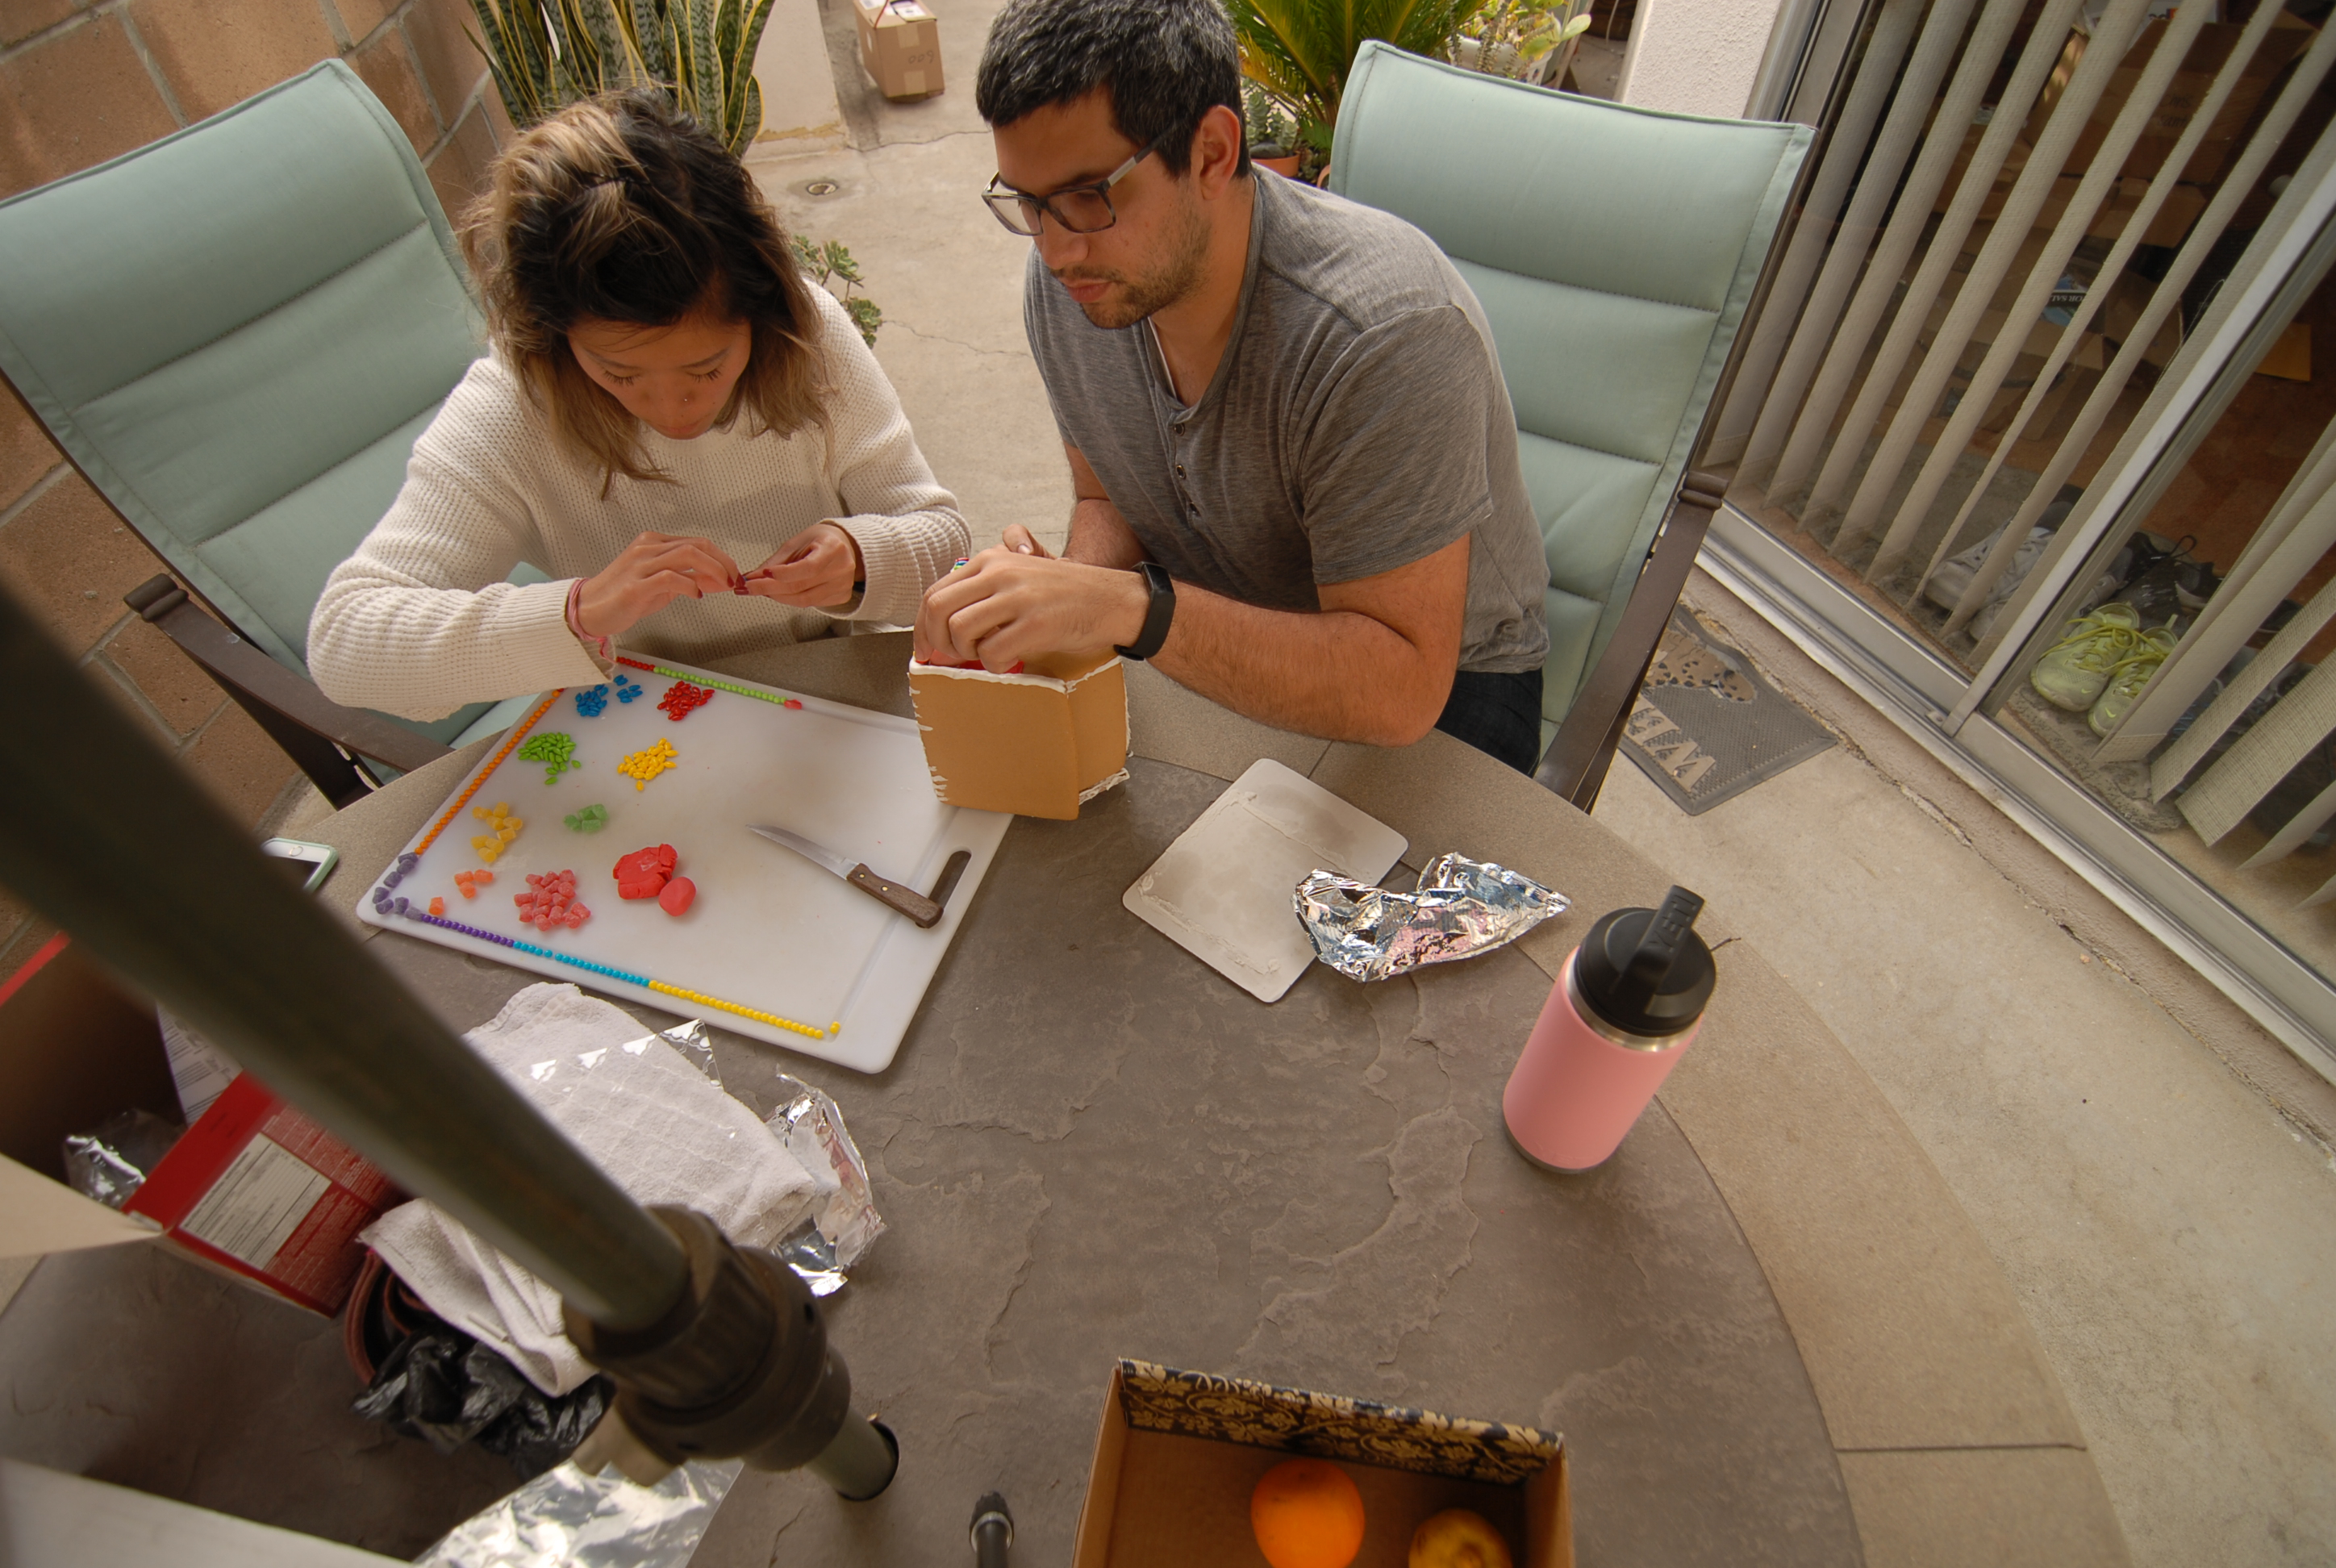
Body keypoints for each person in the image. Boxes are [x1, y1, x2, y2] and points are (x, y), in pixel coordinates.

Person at [916, 0, 1551, 771]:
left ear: (1212, 153)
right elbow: (1107, 498)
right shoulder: (1077, 285)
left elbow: (1400, 689)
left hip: (1441, 689)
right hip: (1210, 620)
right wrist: (1064, 589)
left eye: (1089, 197)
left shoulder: (1380, 334)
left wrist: (1125, 609)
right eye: (1029, 203)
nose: (1055, 252)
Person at [309, 91, 969, 719]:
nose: (674, 410)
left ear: (761, 314)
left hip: (830, 702)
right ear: (555, 338)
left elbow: (945, 547)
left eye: (707, 369)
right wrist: (580, 611)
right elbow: (345, 643)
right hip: (644, 716)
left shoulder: (808, 338)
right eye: (618, 373)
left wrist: (862, 561)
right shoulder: (514, 404)